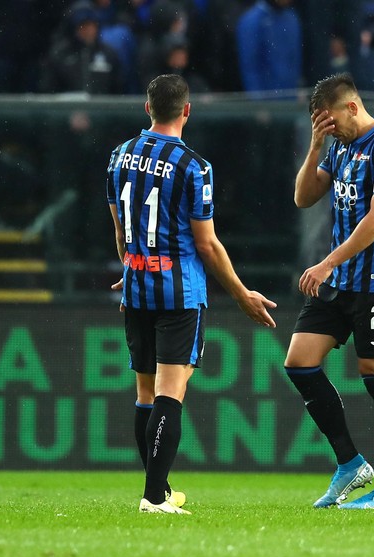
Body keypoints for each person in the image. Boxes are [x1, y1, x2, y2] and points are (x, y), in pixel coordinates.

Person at [106, 73, 277, 514]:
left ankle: (158, 491)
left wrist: (131, 264)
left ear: (147, 108)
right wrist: (240, 293)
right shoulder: (194, 166)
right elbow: (206, 243)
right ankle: (153, 496)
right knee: (171, 392)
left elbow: (121, 229)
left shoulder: (118, 156)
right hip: (179, 293)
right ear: (187, 110)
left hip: (138, 285)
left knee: (146, 392)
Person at [284, 72, 374, 510]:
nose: (330, 128)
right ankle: (349, 463)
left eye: (330, 122)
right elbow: (303, 198)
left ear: (352, 107)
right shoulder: (338, 146)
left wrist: (326, 262)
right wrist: (317, 144)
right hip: (339, 284)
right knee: (299, 362)